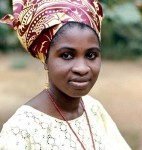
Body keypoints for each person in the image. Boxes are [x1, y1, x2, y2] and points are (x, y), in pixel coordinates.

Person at [0, 0, 131, 149]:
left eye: (91, 55)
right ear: (45, 58)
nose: (82, 68)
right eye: (67, 55)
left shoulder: (94, 109)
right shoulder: (21, 131)